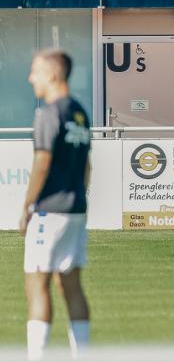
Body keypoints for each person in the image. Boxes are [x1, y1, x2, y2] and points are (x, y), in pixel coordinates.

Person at [20, 50, 92, 360]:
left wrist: (27, 207)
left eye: (35, 71)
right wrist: (78, 195)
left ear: (52, 74)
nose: (30, 78)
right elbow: (88, 166)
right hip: (75, 210)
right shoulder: (79, 112)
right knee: (71, 286)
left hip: (50, 211)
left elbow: (42, 161)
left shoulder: (48, 113)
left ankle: (36, 357)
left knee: (37, 284)